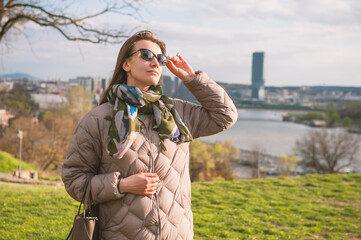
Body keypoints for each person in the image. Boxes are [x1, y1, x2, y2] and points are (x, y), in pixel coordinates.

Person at [62, 30, 238, 240]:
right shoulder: (98, 119)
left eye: (160, 58)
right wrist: (121, 185)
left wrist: (192, 79)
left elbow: (225, 115)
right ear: (126, 64)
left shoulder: (177, 113)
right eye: (146, 55)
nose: (155, 62)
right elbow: (74, 180)